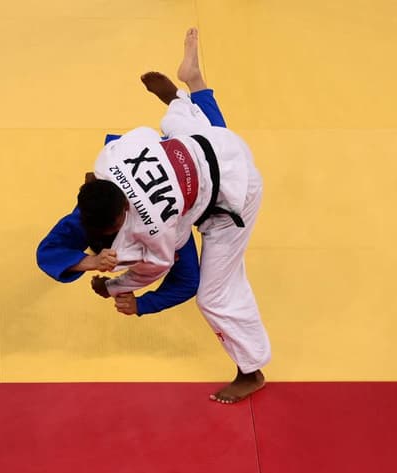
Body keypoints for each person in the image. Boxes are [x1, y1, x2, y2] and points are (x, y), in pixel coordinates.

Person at [78, 28, 271, 404]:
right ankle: (188, 91)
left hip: (236, 191)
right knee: (179, 139)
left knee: (213, 296)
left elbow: (165, 271)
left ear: (122, 214)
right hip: (212, 144)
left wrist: (116, 289)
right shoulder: (110, 158)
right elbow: (134, 141)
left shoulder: (158, 226)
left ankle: (252, 371)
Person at [35, 28, 229, 320]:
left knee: (221, 151)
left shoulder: (164, 230)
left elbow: (184, 280)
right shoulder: (88, 214)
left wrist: (137, 301)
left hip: (179, 181)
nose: (112, 231)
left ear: (125, 207)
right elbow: (46, 253)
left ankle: (189, 88)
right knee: (217, 143)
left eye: (113, 226)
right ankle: (189, 88)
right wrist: (89, 261)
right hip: (156, 166)